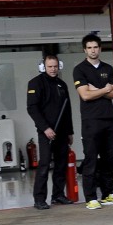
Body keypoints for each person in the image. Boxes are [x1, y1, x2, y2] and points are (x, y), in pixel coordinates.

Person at [73, 33, 113, 209]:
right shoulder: (79, 69)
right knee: (91, 159)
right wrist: (105, 89)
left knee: (108, 159)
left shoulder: (108, 69)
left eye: (95, 47)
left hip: (108, 119)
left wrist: (97, 90)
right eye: (89, 48)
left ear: (100, 49)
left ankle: (108, 194)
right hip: (90, 120)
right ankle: (90, 197)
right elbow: (85, 95)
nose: (93, 50)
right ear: (84, 50)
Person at [26, 55, 74, 210]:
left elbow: (67, 110)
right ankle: (39, 199)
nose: (53, 69)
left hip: (62, 132)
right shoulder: (35, 83)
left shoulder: (62, 84)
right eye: (50, 67)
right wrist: (45, 128)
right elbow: (32, 108)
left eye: (55, 66)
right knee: (45, 164)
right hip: (45, 132)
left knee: (61, 164)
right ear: (43, 67)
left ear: (59, 66)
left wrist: (70, 132)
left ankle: (58, 195)